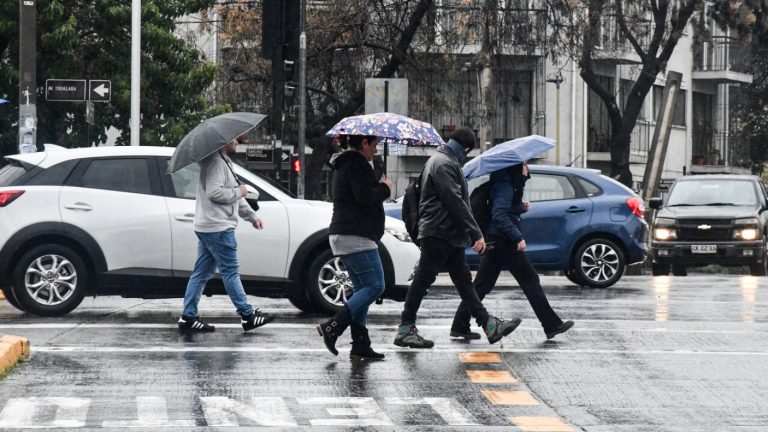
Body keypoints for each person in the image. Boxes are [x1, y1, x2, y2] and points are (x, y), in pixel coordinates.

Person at [394, 127, 521, 348]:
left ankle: (488, 324)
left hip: (447, 234)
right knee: (423, 280)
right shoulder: (444, 163)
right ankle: (405, 328)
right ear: (466, 148)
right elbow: (455, 202)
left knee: (463, 282)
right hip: (438, 233)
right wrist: (476, 233)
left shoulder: (443, 160)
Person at [451, 162, 574, 340]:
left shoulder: (506, 183)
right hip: (503, 240)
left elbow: (503, 208)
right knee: (530, 279)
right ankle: (551, 324)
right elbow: (499, 214)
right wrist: (517, 237)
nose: (527, 168)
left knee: (482, 284)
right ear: (516, 168)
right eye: (524, 165)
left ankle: (460, 325)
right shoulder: (506, 186)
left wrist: (520, 207)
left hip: (496, 239)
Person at [177, 138, 275, 333]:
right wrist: (239, 191)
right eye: (234, 139)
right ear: (222, 142)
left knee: (202, 273)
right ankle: (248, 315)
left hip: (210, 225)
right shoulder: (215, 162)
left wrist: (251, 217)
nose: (237, 141)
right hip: (218, 227)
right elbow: (216, 193)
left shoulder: (223, 162)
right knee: (230, 271)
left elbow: (234, 196)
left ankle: (188, 317)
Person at [316, 134, 392, 360]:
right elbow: (365, 198)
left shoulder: (344, 163)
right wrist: (385, 188)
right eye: (375, 145)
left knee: (362, 290)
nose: (376, 150)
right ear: (365, 144)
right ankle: (333, 327)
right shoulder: (356, 164)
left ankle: (360, 344)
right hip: (356, 235)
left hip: (344, 234)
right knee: (377, 286)